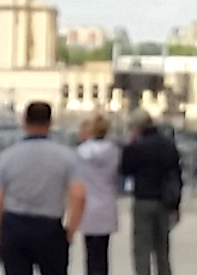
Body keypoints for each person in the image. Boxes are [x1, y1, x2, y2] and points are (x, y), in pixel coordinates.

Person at [0, 103, 83, 275]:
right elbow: (79, 195)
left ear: (24, 122)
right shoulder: (66, 157)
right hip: (49, 227)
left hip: (14, 225)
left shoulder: (7, 157)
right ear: (50, 123)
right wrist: (70, 230)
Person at [117, 113, 179, 275]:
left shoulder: (137, 146)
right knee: (162, 249)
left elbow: (125, 169)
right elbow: (176, 174)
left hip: (143, 199)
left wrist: (129, 145)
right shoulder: (168, 144)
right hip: (164, 201)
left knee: (142, 249)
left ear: (138, 127)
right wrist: (176, 205)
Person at [72, 115, 119, 275]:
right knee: (103, 253)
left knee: (90, 252)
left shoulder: (80, 152)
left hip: (88, 203)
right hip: (106, 202)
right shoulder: (113, 151)